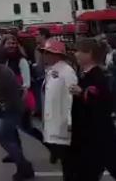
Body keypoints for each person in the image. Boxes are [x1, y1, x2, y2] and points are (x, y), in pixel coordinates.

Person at [70, 38, 116, 181]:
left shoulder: (97, 75)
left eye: (78, 51)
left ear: (88, 53)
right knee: (90, 172)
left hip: (99, 135)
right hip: (91, 135)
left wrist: (82, 92)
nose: (75, 54)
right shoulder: (86, 74)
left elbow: (102, 103)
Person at [0, 46, 34, 181]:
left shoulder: (1, 72)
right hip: (11, 108)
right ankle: (23, 165)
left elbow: (5, 93)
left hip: (12, 109)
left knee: (2, 137)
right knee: (8, 137)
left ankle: (24, 166)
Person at [40, 39, 78, 181]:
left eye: (46, 52)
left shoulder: (66, 71)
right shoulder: (52, 70)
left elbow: (71, 96)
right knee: (64, 159)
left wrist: (70, 120)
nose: (44, 55)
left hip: (63, 122)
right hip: (54, 121)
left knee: (68, 160)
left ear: (56, 54)